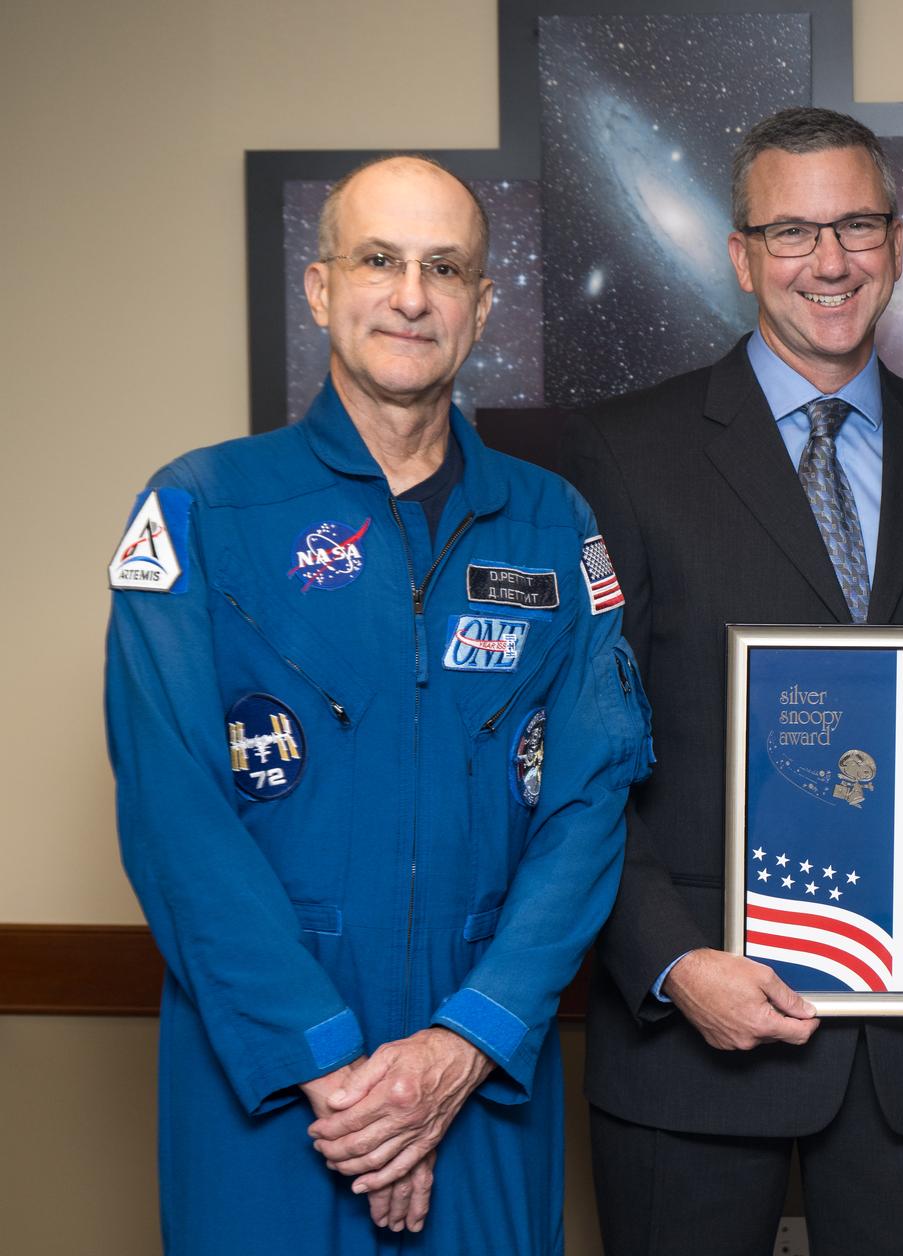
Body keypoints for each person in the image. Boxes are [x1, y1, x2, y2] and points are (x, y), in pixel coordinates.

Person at [105, 154, 652, 1253]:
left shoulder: (553, 524)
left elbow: (590, 803)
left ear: (482, 303)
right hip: (265, 1081)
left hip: (483, 1072)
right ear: (321, 288)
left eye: (444, 267)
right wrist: (333, 1069)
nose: (412, 294)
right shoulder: (203, 505)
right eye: (379, 260)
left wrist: (462, 1047)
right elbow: (176, 814)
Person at [558, 106, 903, 1256]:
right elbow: (576, 748)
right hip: (692, 1028)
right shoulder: (620, 453)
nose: (828, 261)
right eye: (791, 231)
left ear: (896, 241)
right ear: (739, 254)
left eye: (855, 225)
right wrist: (672, 961)